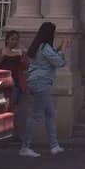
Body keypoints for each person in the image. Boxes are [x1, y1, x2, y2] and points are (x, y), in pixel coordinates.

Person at [20, 21, 66, 158]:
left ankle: (54, 145)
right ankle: (25, 147)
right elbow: (60, 62)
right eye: (54, 32)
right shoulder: (45, 47)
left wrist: (58, 50)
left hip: (38, 81)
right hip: (42, 82)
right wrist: (62, 49)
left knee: (50, 113)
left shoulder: (39, 46)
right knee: (35, 115)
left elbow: (50, 58)